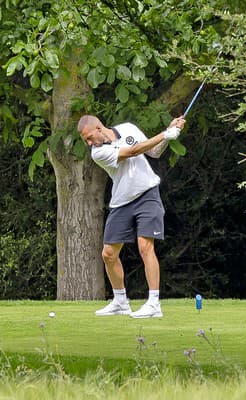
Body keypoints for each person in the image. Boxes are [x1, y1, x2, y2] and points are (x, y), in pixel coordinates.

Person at [77, 114, 185, 318]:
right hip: (122, 201)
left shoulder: (128, 128)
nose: (89, 143)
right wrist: (164, 133)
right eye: (86, 141)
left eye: (90, 137)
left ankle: (154, 304)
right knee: (108, 254)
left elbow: (153, 151)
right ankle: (120, 301)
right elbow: (133, 151)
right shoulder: (98, 153)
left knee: (145, 246)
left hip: (147, 194)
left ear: (99, 128)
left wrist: (168, 135)